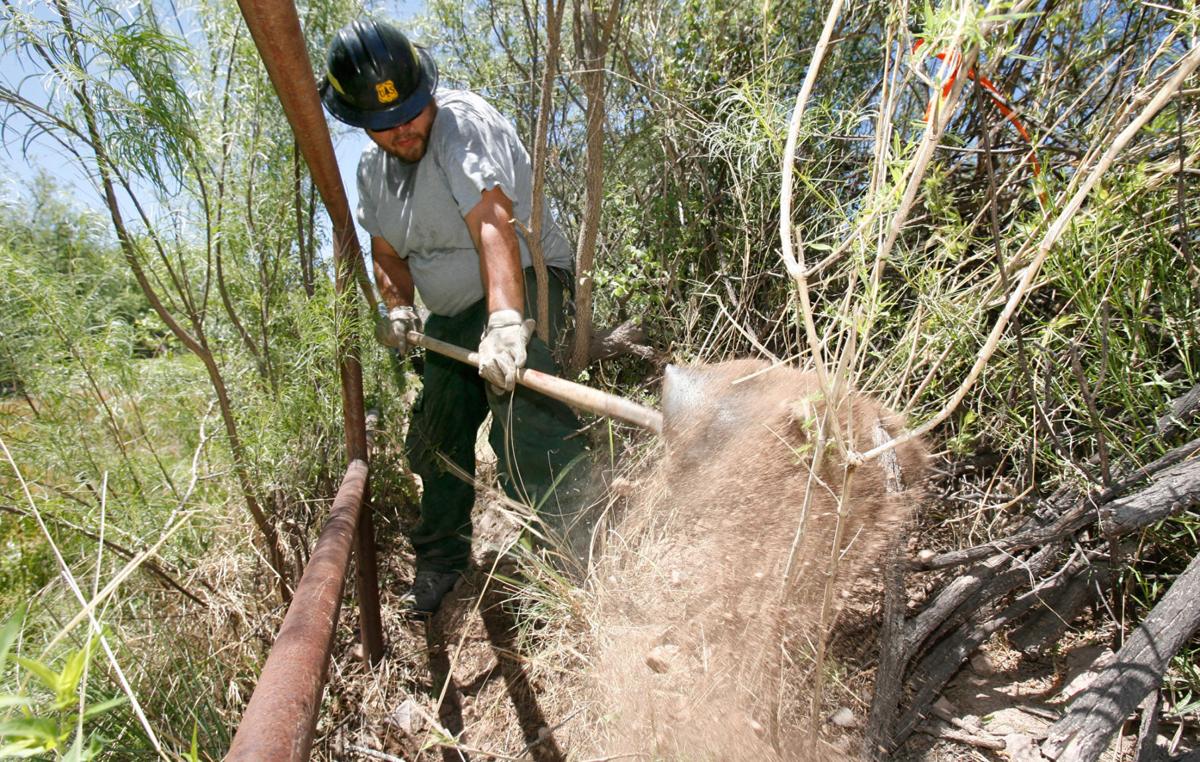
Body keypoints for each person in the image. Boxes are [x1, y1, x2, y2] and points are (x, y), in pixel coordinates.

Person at [320, 19, 591, 615]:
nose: (404, 128)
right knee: (434, 437)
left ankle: (583, 555)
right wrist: (396, 306)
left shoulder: (461, 123)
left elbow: (492, 223)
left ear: (425, 91)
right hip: (451, 315)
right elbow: (386, 250)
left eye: (413, 111)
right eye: (385, 124)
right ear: (359, 122)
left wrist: (504, 323)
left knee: (523, 414)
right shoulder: (372, 173)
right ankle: (441, 559)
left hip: (523, 281)